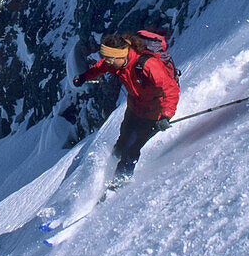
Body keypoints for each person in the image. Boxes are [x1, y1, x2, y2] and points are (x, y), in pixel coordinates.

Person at [73, 32, 179, 175]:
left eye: (110, 59)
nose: (108, 62)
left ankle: (119, 182)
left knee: (133, 148)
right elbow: (101, 67)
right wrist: (84, 77)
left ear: (121, 55)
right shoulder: (116, 63)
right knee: (122, 141)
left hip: (153, 113)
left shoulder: (148, 65)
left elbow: (170, 89)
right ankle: (109, 169)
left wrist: (165, 116)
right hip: (134, 108)